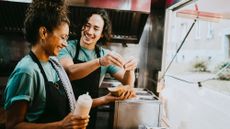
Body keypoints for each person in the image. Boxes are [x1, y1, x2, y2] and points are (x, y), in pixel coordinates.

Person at [3, 0, 89, 129]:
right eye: (62, 37)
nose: (65, 43)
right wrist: (60, 125)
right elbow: (13, 125)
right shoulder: (27, 71)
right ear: (43, 33)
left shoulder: (53, 63)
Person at [58, 9, 137, 128]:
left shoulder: (104, 54)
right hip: (64, 113)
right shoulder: (67, 47)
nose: (89, 31)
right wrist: (99, 62)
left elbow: (127, 83)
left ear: (102, 34)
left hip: (89, 114)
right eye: (87, 25)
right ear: (82, 27)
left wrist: (131, 69)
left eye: (96, 28)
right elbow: (70, 72)